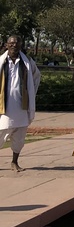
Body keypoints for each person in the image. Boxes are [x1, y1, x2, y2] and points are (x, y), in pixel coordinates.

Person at [1, 36, 41, 172]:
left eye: (17, 43)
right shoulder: (1, 62)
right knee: (1, 134)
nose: (14, 46)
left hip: (22, 106)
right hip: (4, 107)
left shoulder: (27, 62)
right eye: (11, 43)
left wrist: (31, 94)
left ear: (21, 45)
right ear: (7, 45)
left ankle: (14, 162)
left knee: (19, 137)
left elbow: (36, 77)